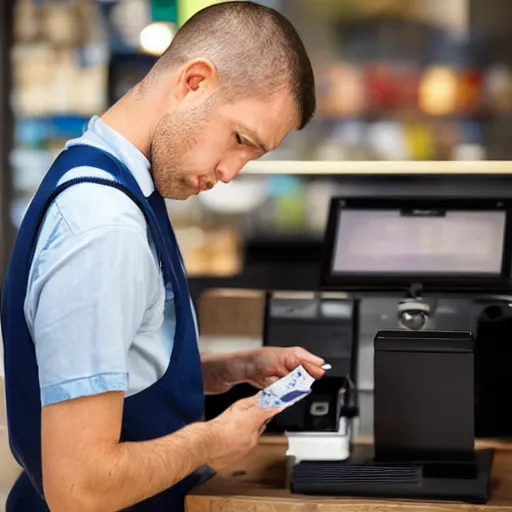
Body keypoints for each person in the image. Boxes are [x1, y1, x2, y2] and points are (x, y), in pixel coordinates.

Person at [1, 2, 323, 511]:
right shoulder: (104, 226)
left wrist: (223, 369)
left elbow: (118, 364)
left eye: (252, 155)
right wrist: (216, 439)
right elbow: (80, 489)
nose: (231, 172)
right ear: (195, 81)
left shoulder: (115, 181)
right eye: (240, 139)